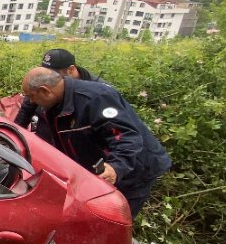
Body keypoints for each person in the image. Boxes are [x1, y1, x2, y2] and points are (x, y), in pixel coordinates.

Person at [21, 67, 171, 217]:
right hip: (97, 167)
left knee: (112, 220)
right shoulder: (54, 104)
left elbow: (125, 136)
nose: (31, 101)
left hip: (133, 168)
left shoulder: (95, 98)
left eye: (32, 96)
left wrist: (116, 167)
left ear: (45, 90)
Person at [15, 49, 103, 131]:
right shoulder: (42, 83)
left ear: (71, 70)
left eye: (53, 73)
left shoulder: (98, 93)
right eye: (45, 72)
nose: (47, 77)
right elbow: (25, 112)